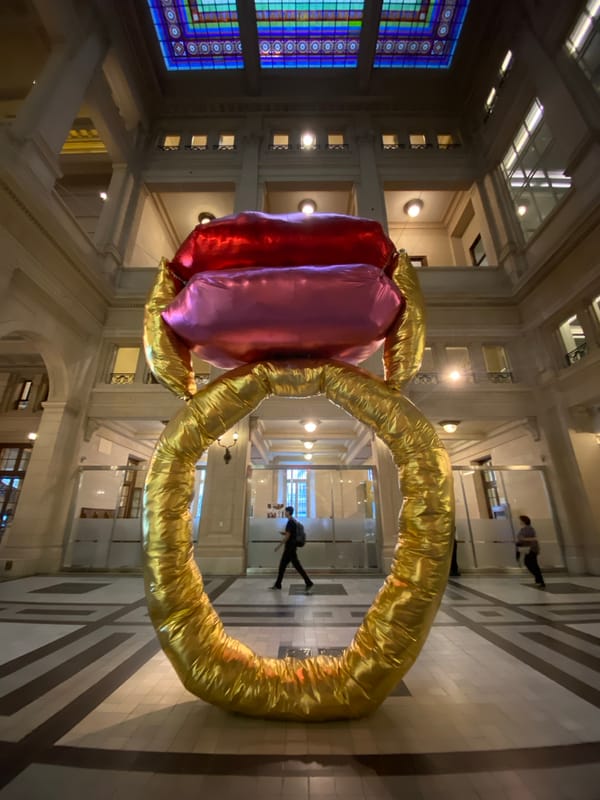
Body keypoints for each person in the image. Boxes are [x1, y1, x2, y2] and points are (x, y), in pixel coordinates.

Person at [270, 506, 314, 593]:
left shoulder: (290, 522)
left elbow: (288, 536)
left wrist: (279, 545)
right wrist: (284, 533)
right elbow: (291, 533)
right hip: (292, 547)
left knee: (290, 566)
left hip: (290, 548)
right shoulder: (293, 521)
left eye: (285, 511)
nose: (285, 513)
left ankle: (308, 582)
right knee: (285, 566)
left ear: (289, 512)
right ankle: (278, 584)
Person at [516, 514, 546, 589]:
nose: (519, 521)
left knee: (529, 564)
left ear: (523, 521)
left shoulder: (527, 529)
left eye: (520, 520)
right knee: (533, 564)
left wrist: (521, 540)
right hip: (532, 549)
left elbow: (523, 538)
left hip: (530, 549)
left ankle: (539, 580)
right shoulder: (529, 528)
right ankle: (539, 580)